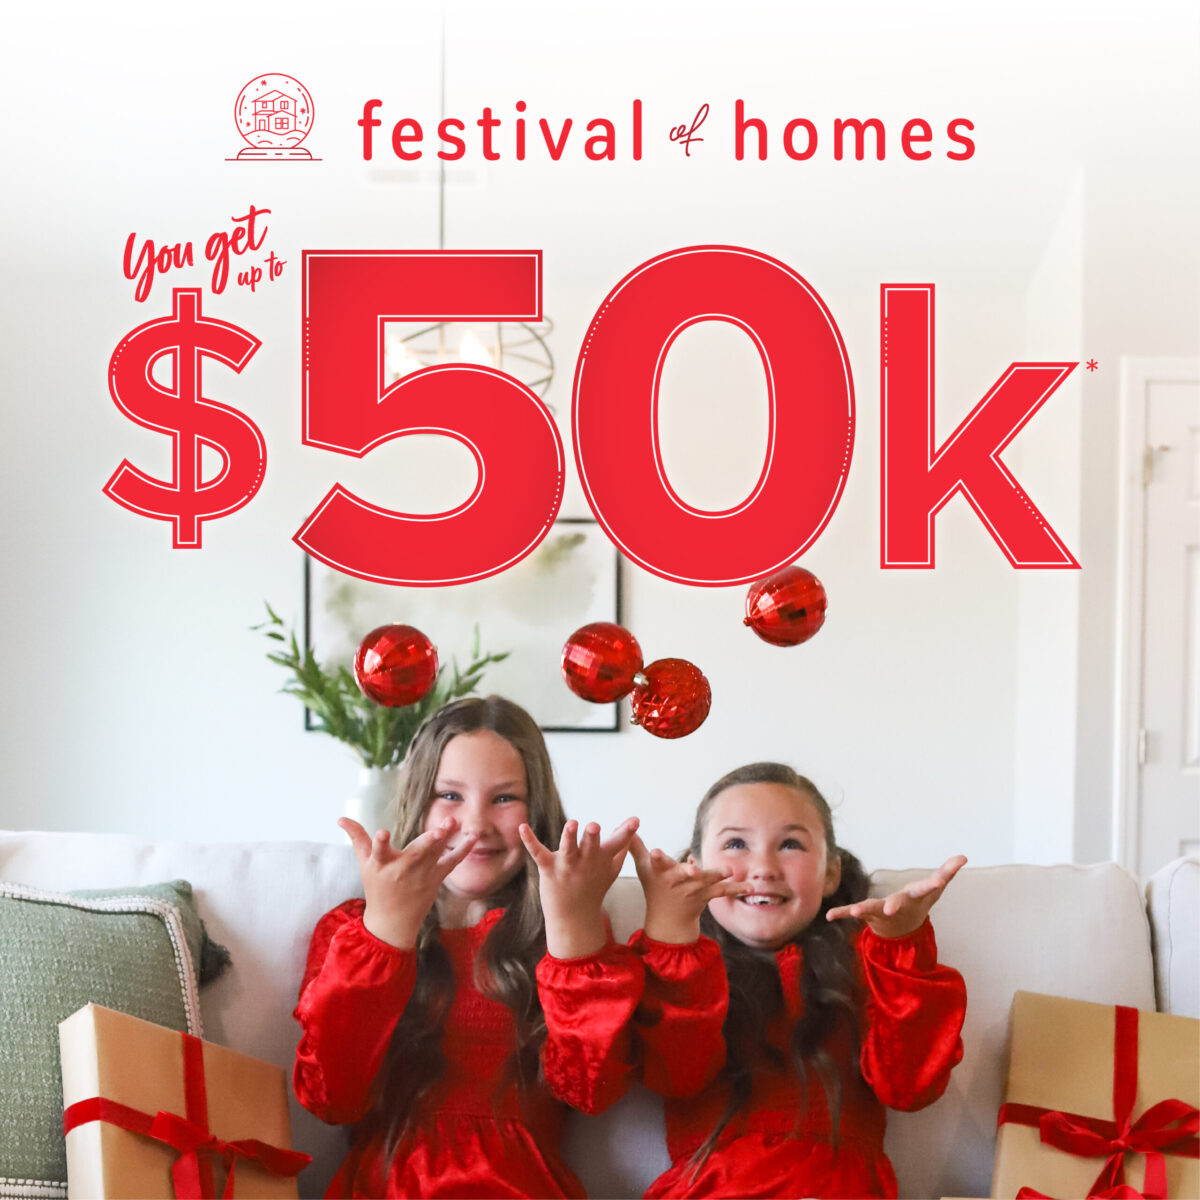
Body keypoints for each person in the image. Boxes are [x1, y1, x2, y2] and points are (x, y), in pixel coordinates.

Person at [293, 695, 642, 1199]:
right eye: (450, 796)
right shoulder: (352, 932)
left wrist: (573, 931)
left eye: (503, 799)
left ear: (538, 808)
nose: (476, 824)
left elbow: (592, 1090)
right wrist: (385, 935)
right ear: (418, 803)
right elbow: (330, 1098)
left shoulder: (562, 934)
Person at [627, 762, 967, 1199]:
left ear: (831, 874)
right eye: (736, 843)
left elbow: (910, 1087)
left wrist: (901, 946)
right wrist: (673, 939)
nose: (763, 867)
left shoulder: (862, 957)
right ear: (694, 868)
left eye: (790, 844)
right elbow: (675, 1075)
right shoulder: (672, 962)